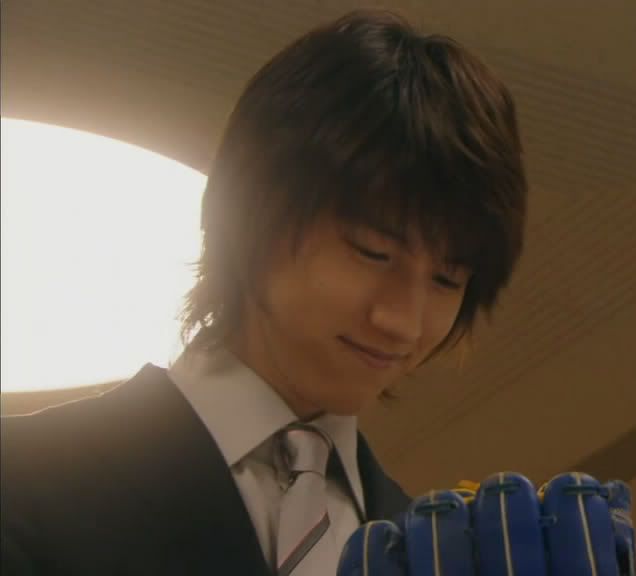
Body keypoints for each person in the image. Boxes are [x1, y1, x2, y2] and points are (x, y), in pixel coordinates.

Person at [0, 8, 527, 575]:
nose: (403, 321)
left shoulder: (432, 553)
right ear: (253, 213)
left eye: (448, 280)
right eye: (371, 251)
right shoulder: (25, 482)